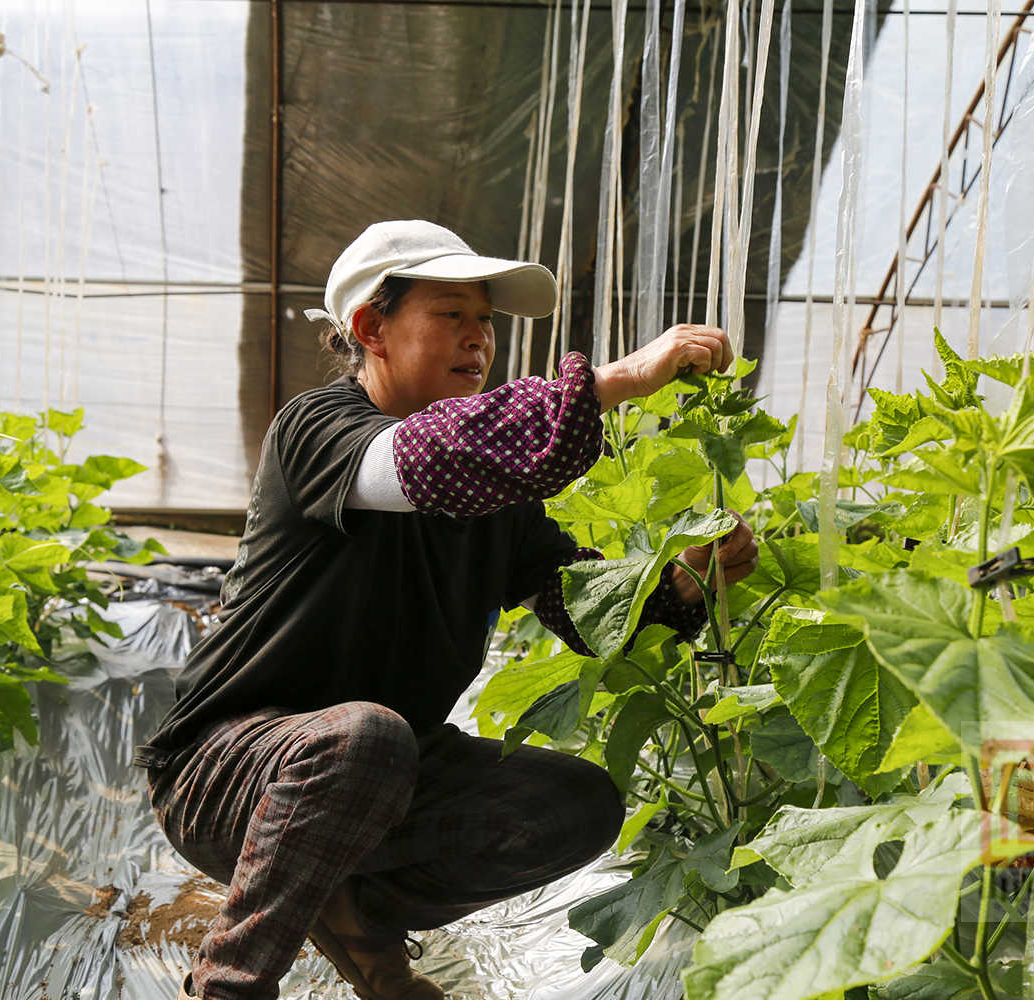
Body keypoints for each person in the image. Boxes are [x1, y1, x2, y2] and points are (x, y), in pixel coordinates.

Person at [134, 220, 758, 1000]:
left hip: (379, 775)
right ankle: (229, 986)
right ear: (371, 329)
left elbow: (586, 608)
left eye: (485, 321)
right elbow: (427, 461)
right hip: (223, 770)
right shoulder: (318, 432)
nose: (478, 340)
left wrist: (685, 583)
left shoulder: (499, 504)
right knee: (364, 737)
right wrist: (616, 381)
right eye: (452, 315)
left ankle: (353, 912)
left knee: (577, 805)